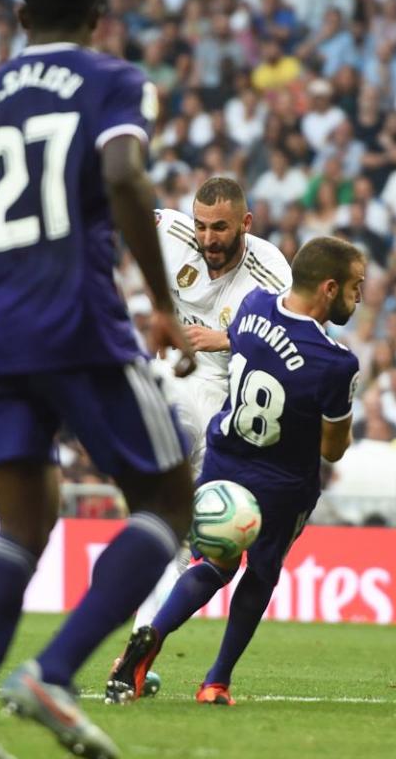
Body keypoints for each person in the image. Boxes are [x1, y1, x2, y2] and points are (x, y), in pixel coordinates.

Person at [0, 0, 196, 759]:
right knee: (167, 499)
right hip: (81, 323)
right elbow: (124, 175)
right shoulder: (112, 79)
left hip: (1, 337)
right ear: (98, 13)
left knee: (22, 526)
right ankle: (54, 670)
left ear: (18, 16)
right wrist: (160, 300)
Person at [106, 236, 364, 707]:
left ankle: (151, 638)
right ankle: (216, 681)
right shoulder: (336, 361)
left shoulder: (254, 305)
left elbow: (245, 338)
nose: (359, 296)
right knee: (261, 573)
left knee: (213, 564)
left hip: (226, 458)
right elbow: (333, 450)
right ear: (329, 288)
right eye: (354, 286)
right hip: (283, 482)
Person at [133, 177, 292, 629]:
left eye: (219, 228)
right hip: (174, 373)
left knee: (186, 539)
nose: (207, 239)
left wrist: (225, 338)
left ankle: (142, 638)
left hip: (227, 388)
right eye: (201, 226)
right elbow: (118, 216)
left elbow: (289, 339)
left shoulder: (272, 272)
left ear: (245, 223)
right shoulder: (170, 232)